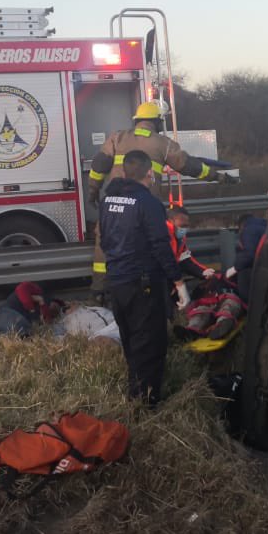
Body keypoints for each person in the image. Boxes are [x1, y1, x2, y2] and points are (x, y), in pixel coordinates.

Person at [87, 102, 219, 302]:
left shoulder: (118, 137)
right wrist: (216, 175)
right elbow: (189, 166)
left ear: (137, 120)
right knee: (150, 245)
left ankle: (99, 292)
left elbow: (99, 165)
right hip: (144, 206)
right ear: (157, 121)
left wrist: (93, 190)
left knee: (103, 244)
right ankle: (154, 293)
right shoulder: (163, 144)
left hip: (113, 203)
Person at [99, 150, 189, 405]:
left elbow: (104, 238)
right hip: (142, 284)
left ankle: (135, 393)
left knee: (130, 340)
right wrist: (179, 282)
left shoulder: (108, 200)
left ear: (125, 172)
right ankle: (146, 403)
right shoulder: (148, 203)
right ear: (149, 172)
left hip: (117, 281)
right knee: (149, 342)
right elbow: (160, 245)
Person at [0, 282, 65, 337]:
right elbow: (22, 288)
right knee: (24, 333)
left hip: (0, 321)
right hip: (3, 314)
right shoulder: (37, 294)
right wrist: (36, 304)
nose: (54, 310)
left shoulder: (36, 318)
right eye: (55, 306)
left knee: (19, 334)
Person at [226, 212, 268, 302]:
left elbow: (249, 255)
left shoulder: (248, 230)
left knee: (243, 271)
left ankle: (247, 305)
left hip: (264, 269)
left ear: (241, 225)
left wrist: (235, 267)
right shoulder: (265, 225)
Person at [167, 208, 217, 282]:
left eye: (186, 226)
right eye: (182, 225)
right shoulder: (162, 235)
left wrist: (203, 271)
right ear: (171, 220)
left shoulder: (180, 238)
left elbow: (185, 259)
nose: (184, 228)